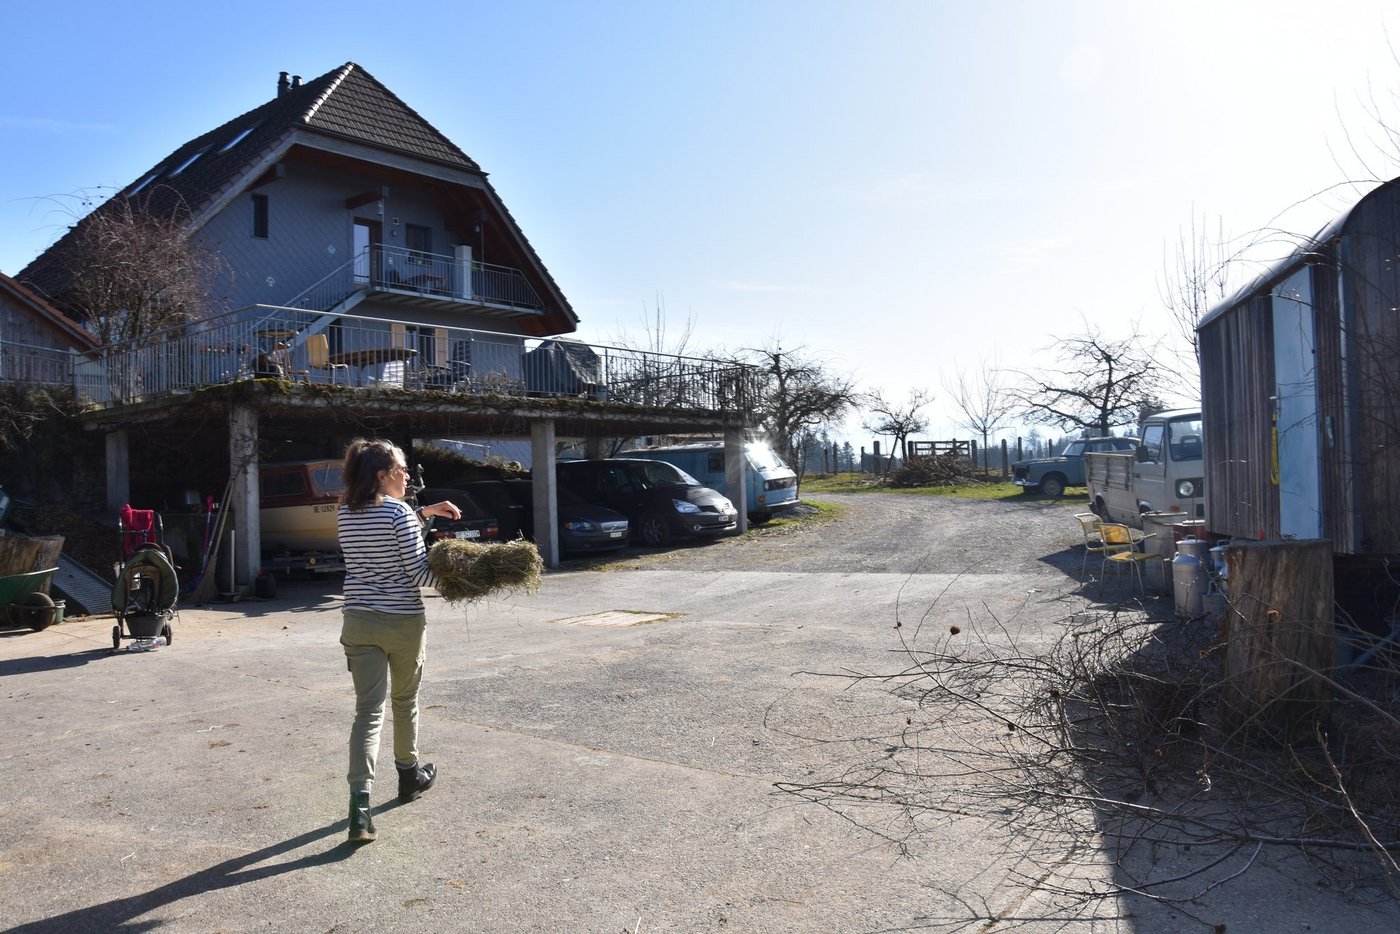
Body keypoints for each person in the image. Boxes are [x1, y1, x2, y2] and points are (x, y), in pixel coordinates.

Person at [337, 438, 461, 845]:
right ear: (382, 475)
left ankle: (360, 806)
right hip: (401, 621)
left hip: (358, 621)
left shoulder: (345, 511)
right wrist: (465, 573)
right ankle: (409, 777)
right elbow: (420, 574)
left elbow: (383, 540)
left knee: (367, 713)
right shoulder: (397, 513)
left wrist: (424, 512)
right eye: (402, 469)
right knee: (404, 702)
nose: (407, 475)